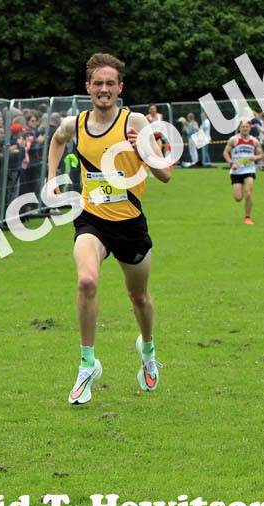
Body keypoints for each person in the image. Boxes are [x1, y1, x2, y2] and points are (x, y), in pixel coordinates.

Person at [46, 53, 171, 405]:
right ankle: (88, 364)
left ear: (120, 88)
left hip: (130, 223)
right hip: (92, 220)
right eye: (97, 83)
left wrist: (143, 150)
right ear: (88, 87)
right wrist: (52, 177)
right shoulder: (76, 123)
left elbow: (165, 174)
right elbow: (56, 139)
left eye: (110, 83)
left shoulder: (137, 122)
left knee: (139, 298)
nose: (103, 89)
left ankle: (147, 349)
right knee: (86, 281)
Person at [223, 120, 264, 225]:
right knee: (238, 198)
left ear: (250, 128)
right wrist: (232, 163)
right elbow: (226, 153)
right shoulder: (234, 140)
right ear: (239, 128)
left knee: (248, 193)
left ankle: (247, 217)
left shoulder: (254, 141)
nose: (245, 129)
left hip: (249, 170)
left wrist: (255, 157)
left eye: (247, 127)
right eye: (243, 127)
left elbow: (261, 155)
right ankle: (241, 196)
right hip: (236, 171)